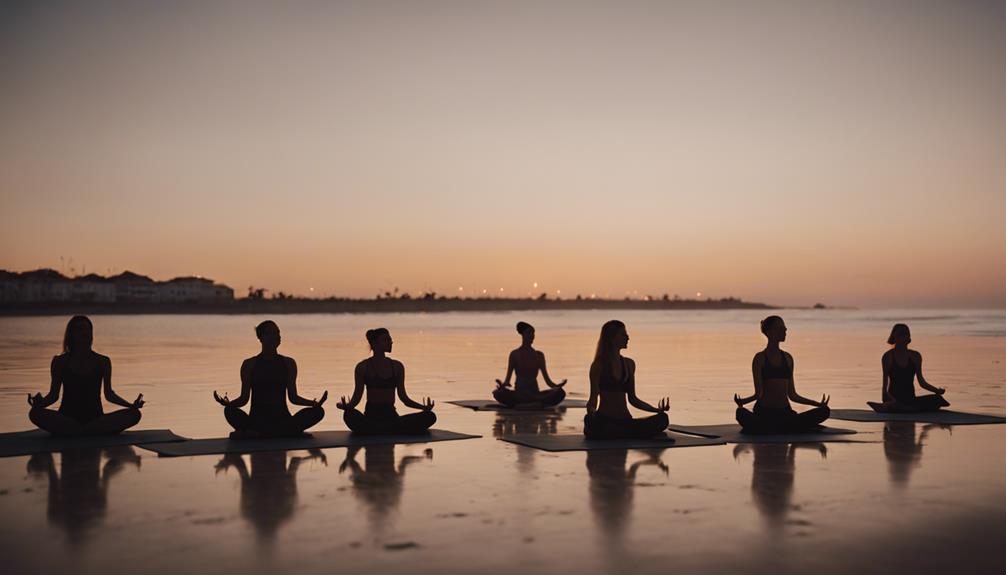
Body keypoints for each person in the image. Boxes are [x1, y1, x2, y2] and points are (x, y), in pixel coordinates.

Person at [28, 316, 144, 436]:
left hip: (96, 420)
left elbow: (109, 394)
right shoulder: (60, 361)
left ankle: (81, 431)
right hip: (67, 419)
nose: (84, 333)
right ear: (71, 334)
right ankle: (85, 431)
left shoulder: (103, 361)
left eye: (87, 329)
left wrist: (131, 405)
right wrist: (38, 405)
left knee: (135, 414)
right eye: (80, 329)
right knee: (34, 413)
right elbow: (53, 395)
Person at [213, 320, 326, 438]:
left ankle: (258, 434)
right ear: (260, 338)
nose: (276, 336)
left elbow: (293, 398)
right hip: (257, 421)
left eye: (277, 333)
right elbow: (243, 399)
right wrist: (228, 404)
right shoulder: (249, 364)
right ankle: (284, 433)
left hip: (282, 420)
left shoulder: (289, 363)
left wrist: (314, 404)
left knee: (319, 412)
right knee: (229, 411)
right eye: (270, 333)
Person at [734, 315, 830, 434]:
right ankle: (783, 428)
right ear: (769, 332)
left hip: (785, 414)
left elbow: (792, 395)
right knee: (740, 413)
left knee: (825, 411)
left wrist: (817, 404)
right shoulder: (760, 358)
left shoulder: (788, 358)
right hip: (765, 414)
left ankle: (778, 428)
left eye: (784, 328)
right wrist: (743, 402)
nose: (785, 330)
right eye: (780, 328)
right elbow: (759, 394)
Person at [336, 328, 436, 435]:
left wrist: (424, 408)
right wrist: (344, 406)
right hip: (371, 420)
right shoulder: (363, 367)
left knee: (430, 416)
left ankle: (379, 431)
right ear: (374, 343)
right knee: (349, 414)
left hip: (392, 420)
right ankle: (383, 430)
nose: (390, 342)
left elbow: (404, 398)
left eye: (390, 340)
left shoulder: (397, 367)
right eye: (385, 340)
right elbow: (356, 399)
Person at [583, 320, 669, 439]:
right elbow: (593, 399)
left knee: (662, 419)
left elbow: (633, 399)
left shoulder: (629, 364)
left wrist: (656, 410)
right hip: (606, 420)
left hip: (625, 421)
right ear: (612, 339)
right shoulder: (599, 365)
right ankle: (624, 433)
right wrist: (591, 412)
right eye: (623, 334)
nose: (628, 337)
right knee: (591, 422)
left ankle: (622, 433)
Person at [868, 323, 949, 413]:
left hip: (910, 399)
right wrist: (886, 399)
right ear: (895, 336)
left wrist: (937, 391)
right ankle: (894, 407)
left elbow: (921, 382)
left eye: (907, 334)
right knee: (896, 405)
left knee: (937, 399)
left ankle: (903, 408)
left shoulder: (915, 356)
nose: (905, 336)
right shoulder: (888, 357)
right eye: (902, 334)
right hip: (894, 399)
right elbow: (885, 387)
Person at [493, 321, 567, 408]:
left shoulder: (539, 355)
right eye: (529, 333)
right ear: (522, 335)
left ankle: (525, 405)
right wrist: (502, 385)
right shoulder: (514, 354)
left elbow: (548, 381)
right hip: (519, 395)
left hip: (535, 395)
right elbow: (507, 381)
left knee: (560, 392)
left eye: (533, 333)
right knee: (498, 393)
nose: (532, 336)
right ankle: (530, 404)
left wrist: (558, 386)